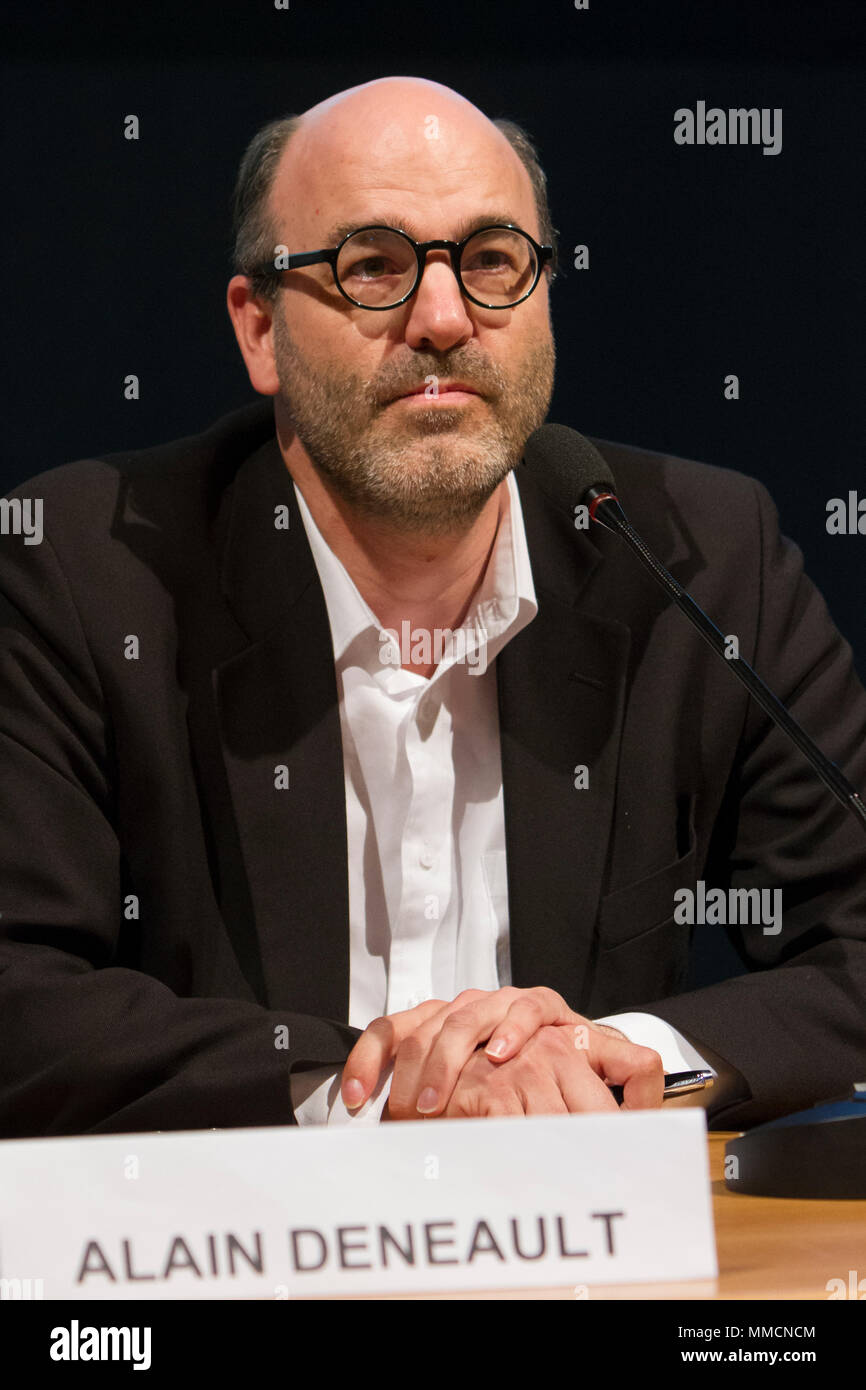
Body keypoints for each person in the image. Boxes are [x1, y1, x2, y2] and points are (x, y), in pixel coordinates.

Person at [1, 76, 864, 1139]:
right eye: (372, 266)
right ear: (259, 327)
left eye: (493, 260)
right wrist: (361, 1093)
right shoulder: (78, 574)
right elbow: (19, 989)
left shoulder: (703, 559)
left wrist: (614, 1062)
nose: (445, 319)